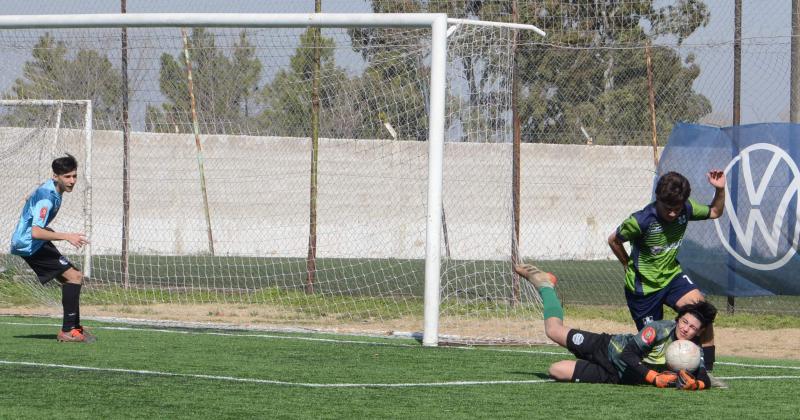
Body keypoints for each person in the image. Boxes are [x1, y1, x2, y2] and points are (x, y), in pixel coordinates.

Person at [515, 264, 716, 390]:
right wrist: (654, 377)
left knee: (556, 370)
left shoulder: (693, 349)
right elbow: (628, 354)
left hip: (618, 376)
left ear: (698, 332)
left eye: (692, 327)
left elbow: (704, 376)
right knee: (553, 331)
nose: (686, 329)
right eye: (684, 322)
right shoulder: (659, 329)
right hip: (608, 347)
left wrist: (696, 384)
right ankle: (546, 285)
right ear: (678, 319)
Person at [607, 170, 724, 372]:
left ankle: (707, 369)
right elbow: (613, 240)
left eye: (676, 209)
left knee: (702, 311)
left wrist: (720, 189)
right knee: (655, 348)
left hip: (672, 278)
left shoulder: (686, 209)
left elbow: (715, 211)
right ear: (658, 199)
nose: (672, 214)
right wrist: (626, 264)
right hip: (643, 289)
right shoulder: (641, 221)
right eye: (668, 208)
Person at [10, 154, 94, 343]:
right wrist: (67, 236)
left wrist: (29, 196)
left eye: (74, 176)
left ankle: (74, 327)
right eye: (67, 177)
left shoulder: (51, 186)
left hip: (32, 243)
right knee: (74, 277)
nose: (72, 181)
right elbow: (36, 233)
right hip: (29, 245)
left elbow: (36, 194)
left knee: (73, 277)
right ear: (56, 176)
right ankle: (67, 330)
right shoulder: (47, 199)